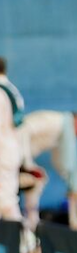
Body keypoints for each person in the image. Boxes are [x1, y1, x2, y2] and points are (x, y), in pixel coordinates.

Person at [18, 110, 77, 224]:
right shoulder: (54, 121)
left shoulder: (62, 135)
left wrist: (72, 182)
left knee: (39, 179)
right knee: (35, 179)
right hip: (9, 158)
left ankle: (31, 222)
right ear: (75, 121)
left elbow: (61, 160)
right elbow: (23, 129)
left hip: (18, 161)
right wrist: (27, 163)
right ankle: (25, 221)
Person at [0, 57, 24, 221]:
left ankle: (25, 242)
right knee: (7, 201)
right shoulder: (11, 90)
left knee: (6, 203)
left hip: (2, 153)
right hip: (11, 150)